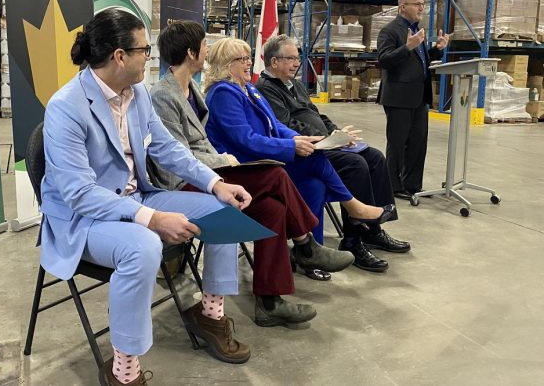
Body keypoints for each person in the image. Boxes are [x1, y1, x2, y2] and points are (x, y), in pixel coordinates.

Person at [41, 9, 254, 386]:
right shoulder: (66, 107)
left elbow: (169, 149)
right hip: (83, 219)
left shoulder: (137, 93)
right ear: (119, 56)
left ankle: (209, 314)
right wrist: (152, 220)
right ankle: (125, 369)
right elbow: (79, 194)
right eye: (144, 50)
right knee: (142, 247)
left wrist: (214, 182)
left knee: (222, 210)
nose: (150, 58)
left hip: (136, 197)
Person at [149, 21, 355, 327]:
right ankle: (305, 244)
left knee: (273, 208)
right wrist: (219, 160)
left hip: (212, 173)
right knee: (275, 176)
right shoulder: (165, 95)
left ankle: (269, 302)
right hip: (185, 183)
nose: (208, 50)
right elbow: (175, 155)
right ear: (192, 52)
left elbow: (208, 140)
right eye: (204, 45)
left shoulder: (191, 88)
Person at [203, 37, 396, 250]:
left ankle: (313, 250)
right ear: (226, 64)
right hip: (245, 164)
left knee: (316, 184)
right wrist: (292, 146)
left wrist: (297, 139)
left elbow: (275, 124)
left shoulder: (248, 89)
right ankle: (354, 210)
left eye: (249, 58)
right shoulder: (224, 93)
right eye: (242, 59)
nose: (249, 63)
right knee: (319, 157)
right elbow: (245, 139)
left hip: (264, 155)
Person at [255, 35, 411, 273]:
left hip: (325, 142)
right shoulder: (266, 89)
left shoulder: (294, 84)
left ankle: (373, 232)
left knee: (376, 157)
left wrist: (336, 132)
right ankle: (353, 241)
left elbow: (317, 115)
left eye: (298, 58)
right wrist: (325, 139)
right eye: (291, 58)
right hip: (306, 150)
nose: (297, 63)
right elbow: (285, 126)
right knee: (355, 165)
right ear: (274, 61)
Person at [377, 0, 450, 200]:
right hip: (399, 97)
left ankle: (412, 185)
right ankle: (393, 186)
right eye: (417, 4)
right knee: (398, 143)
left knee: (418, 142)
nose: (421, 8)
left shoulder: (416, 30)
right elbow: (384, 59)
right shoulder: (390, 31)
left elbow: (420, 60)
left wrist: (436, 49)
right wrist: (408, 47)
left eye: (422, 5)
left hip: (419, 96)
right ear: (403, 7)